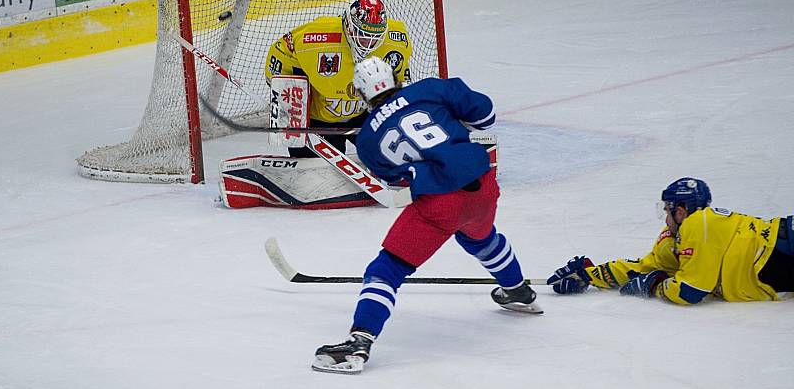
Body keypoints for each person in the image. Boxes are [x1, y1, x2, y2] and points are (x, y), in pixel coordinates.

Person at [311, 56, 542, 375]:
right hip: (483, 187)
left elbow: (397, 180)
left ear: (362, 95)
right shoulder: (430, 89)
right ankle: (517, 289)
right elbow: (486, 114)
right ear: (395, 78)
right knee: (481, 237)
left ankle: (359, 341)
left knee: (387, 268)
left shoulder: (366, 141)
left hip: (438, 204)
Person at [547, 177, 794, 304]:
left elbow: (691, 291)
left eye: (668, 210)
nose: (665, 217)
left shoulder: (700, 223)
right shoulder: (680, 237)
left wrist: (654, 285)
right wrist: (590, 274)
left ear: (683, 209)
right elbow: (644, 267)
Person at [264, 0, 413, 157]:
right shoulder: (317, 37)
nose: (368, 43)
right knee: (317, 174)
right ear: (349, 26)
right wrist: (286, 91)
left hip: (364, 115)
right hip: (318, 121)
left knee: (398, 152)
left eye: (374, 37)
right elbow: (282, 49)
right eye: (362, 34)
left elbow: (400, 78)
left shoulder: (396, 40)